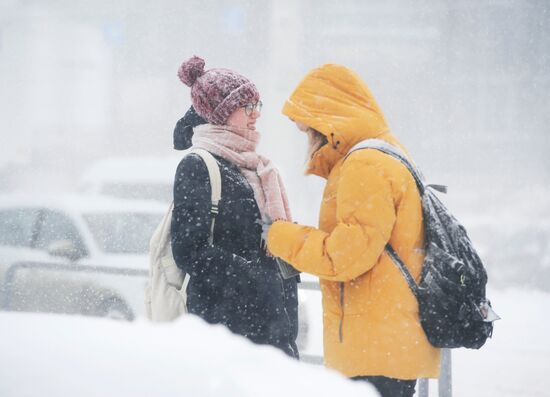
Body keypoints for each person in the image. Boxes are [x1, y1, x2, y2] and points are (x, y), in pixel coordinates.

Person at [266, 64, 441, 396]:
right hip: (385, 345)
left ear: (328, 119)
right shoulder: (381, 156)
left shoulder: (366, 164)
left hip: (375, 350)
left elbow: (346, 257)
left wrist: (280, 236)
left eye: (307, 129)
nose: (307, 139)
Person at [170, 56, 299, 358]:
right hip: (224, 327)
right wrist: (257, 279)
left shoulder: (260, 169)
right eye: (247, 107)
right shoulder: (198, 165)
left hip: (271, 325)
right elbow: (189, 250)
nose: (256, 115)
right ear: (221, 113)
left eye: (258, 106)